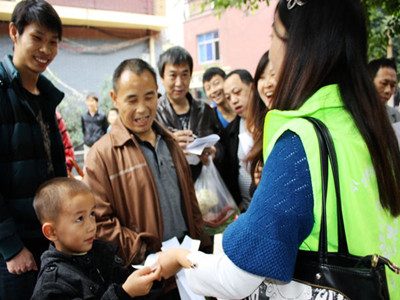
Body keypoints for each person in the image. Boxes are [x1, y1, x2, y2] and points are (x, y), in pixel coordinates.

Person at [155, 0, 400, 299]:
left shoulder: (301, 142)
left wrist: (180, 260)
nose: (270, 50)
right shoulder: (372, 126)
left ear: (299, 47)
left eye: (273, 35)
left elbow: (237, 278)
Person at [83, 58, 211, 299]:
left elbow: (190, 202)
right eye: (132, 99)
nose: (142, 108)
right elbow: (98, 223)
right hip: (144, 276)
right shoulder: (101, 156)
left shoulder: (171, 142)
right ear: (114, 98)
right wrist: (146, 252)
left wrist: (201, 245)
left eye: (149, 97)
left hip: (187, 265)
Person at [0, 1, 67, 299]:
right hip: (14, 249)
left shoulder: (45, 96)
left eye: (53, 42)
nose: (46, 50)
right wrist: (11, 248)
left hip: (50, 238)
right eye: (37, 38)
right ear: (14, 32)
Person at [31, 177, 162, 299]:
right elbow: (127, 290)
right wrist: (124, 294)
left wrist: (154, 275)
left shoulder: (102, 254)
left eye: (92, 214)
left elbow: (130, 280)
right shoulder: (52, 285)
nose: (91, 226)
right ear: (51, 232)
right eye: (79, 219)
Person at [155, 46, 222, 180]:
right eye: (173, 76)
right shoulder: (154, 114)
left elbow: (221, 144)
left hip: (203, 186)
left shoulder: (205, 110)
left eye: (185, 75)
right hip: (171, 185)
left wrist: (215, 153)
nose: (179, 83)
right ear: (162, 78)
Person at [219, 69, 254, 211]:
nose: (233, 100)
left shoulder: (272, 121)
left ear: (252, 87)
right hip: (245, 210)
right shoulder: (230, 132)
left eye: (237, 92)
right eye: (228, 97)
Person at [245, 51, 276, 192]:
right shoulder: (262, 126)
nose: (267, 84)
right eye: (261, 77)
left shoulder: (298, 126)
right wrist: (259, 183)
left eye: (273, 74)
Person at [367, 58, 400, 123]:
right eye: (384, 83)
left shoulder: (396, 117)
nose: (388, 91)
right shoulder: (352, 113)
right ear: (369, 81)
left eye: (392, 86)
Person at [81, 92, 108, 160]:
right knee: (88, 164)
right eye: (88, 101)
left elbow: (105, 129)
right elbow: (83, 130)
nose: (90, 103)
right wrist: (86, 139)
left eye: (92, 101)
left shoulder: (102, 115)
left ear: (96, 102)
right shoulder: (84, 116)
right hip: (88, 145)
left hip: (99, 145)